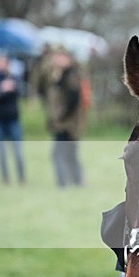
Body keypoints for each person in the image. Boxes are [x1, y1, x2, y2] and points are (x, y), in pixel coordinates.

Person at [42, 46, 84, 187]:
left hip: (67, 124)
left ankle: (64, 183)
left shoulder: (71, 75)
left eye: (61, 57)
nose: (57, 60)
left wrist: (61, 116)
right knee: (69, 154)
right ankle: (77, 181)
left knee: (59, 154)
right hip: (63, 123)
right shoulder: (59, 74)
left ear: (68, 59)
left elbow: (74, 99)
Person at [0, 54, 25, 184]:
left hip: (13, 120)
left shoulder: (15, 79)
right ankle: (5, 179)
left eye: (4, 63)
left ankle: (21, 178)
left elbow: (19, 91)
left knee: (18, 153)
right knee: (1, 153)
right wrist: (2, 90)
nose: (1, 65)